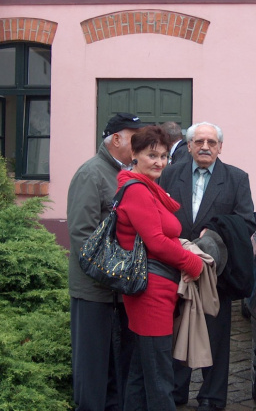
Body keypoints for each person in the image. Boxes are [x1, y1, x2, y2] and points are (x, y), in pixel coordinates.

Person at [158, 121, 255, 411]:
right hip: (177, 269)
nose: (205, 147)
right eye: (199, 141)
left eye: (211, 142)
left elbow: (247, 221)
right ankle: (176, 392)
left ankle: (212, 397)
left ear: (220, 147)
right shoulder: (170, 174)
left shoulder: (236, 178)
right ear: (188, 146)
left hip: (216, 274)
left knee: (216, 336)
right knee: (177, 332)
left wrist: (214, 232)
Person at [115, 125, 205, 411]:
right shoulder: (137, 191)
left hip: (156, 290)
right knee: (160, 378)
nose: (159, 162)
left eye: (164, 156)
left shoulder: (150, 189)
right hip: (150, 292)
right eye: (152, 155)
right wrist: (193, 262)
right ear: (135, 155)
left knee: (142, 372)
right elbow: (155, 241)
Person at [67, 112, 146, 411]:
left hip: (119, 292)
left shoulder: (124, 173)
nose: (139, 144)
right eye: (134, 137)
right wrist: (116, 272)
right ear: (116, 139)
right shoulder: (91, 173)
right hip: (95, 292)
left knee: (117, 370)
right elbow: (82, 235)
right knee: (92, 369)